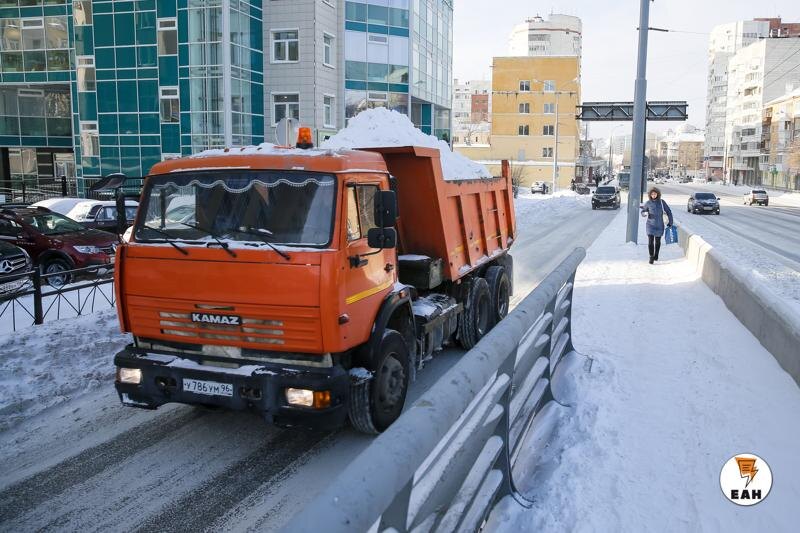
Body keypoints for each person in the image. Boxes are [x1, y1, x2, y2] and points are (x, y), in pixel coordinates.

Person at [640, 187, 673, 264]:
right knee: (650, 241)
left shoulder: (662, 202)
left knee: (657, 242)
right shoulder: (648, 203)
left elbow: (668, 211)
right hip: (650, 225)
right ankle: (651, 257)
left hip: (659, 225)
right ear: (650, 195)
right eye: (652, 194)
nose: (653, 195)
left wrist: (670, 222)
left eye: (655, 194)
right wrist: (644, 214)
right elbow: (643, 211)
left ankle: (656, 254)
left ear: (658, 194)